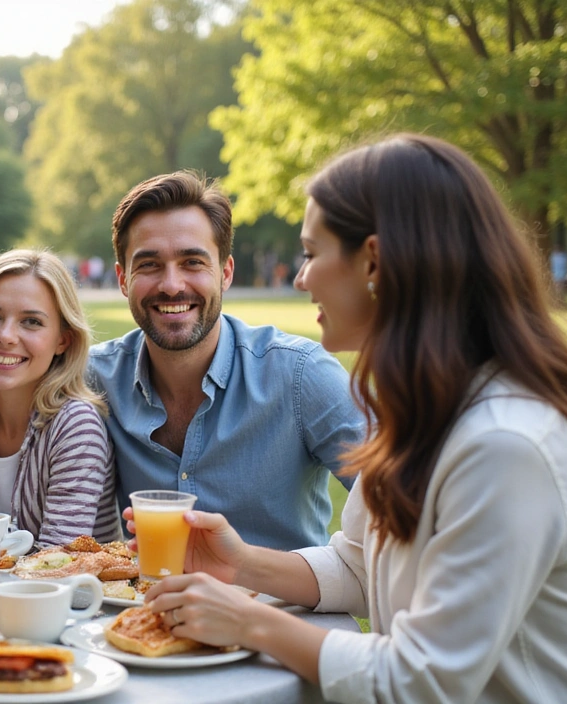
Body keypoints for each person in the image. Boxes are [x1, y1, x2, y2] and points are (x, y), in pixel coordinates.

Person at [135, 134, 567, 703]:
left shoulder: (506, 444)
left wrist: (248, 624)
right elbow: (361, 567)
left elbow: (422, 679)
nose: (300, 278)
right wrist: (243, 564)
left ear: (373, 262)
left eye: (313, 253)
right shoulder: (425, 414)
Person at [88, 171, 364, 551]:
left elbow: (405, 509)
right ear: (122, 279)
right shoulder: (92, 381)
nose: (171, 284)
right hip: (149, 608)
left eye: (192, 262)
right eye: (149, 265)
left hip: (285, 609)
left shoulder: (300, 374)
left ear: (225, 273)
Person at [0, 249, 119, 548]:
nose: (6, 336)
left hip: (77, 595)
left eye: (31, 322)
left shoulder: (76, 425)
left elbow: (57, 561)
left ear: (62, 341)